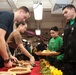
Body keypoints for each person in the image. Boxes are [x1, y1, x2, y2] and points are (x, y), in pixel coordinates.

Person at [48, 4, 76, 75]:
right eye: (63, 13)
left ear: (73, 10)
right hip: (67, 61)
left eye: (66, 12)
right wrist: (55, 52)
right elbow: (65, 44)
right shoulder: (66, 26)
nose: (64, 15)